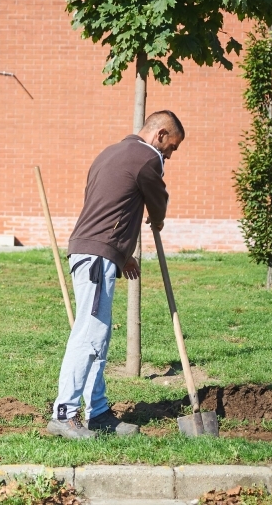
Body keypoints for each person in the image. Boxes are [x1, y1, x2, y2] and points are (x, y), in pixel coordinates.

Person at [47, 110, 185, 439]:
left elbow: (111, 206)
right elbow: (158, 200)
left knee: (98, 337)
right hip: (96, 257)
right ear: (160, 135)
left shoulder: (111, 152)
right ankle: (64, 414)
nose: (169, 155)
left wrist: (121, 257)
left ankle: (99, 413)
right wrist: (159, 219)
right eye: (172, 148)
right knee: (89, 335)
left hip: (95, 252)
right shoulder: (148, 157)